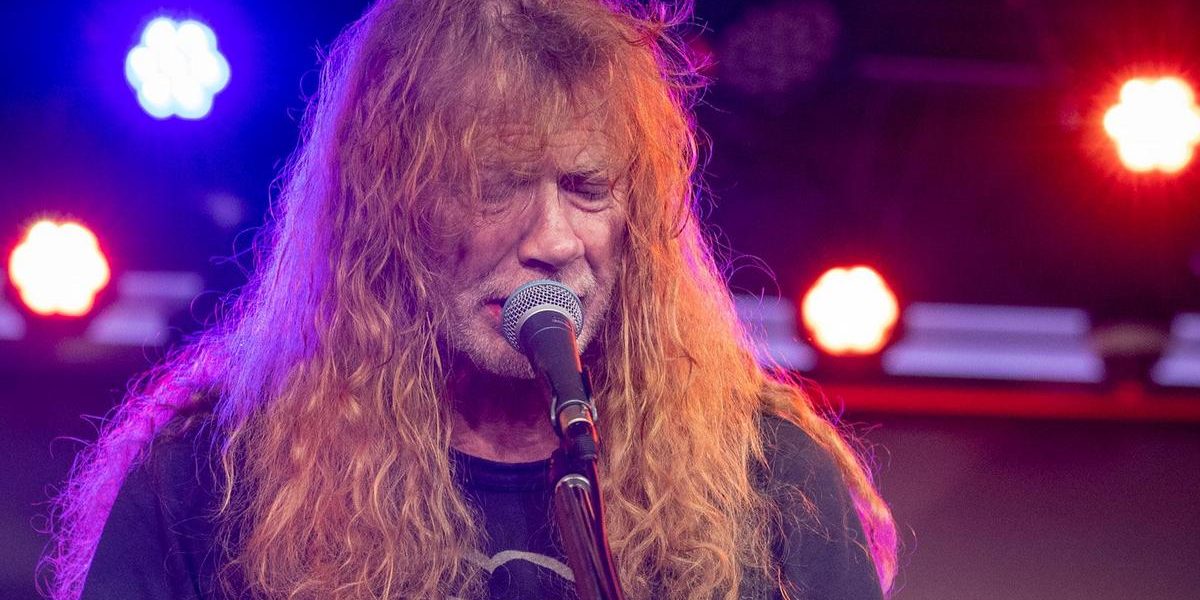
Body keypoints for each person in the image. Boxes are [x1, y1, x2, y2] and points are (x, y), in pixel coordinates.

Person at [41, 1, 897, 598]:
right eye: (496, 186)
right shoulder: (211, 482)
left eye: (587, 188)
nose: (554, 239)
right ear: (386, 205)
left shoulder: (769, 480)